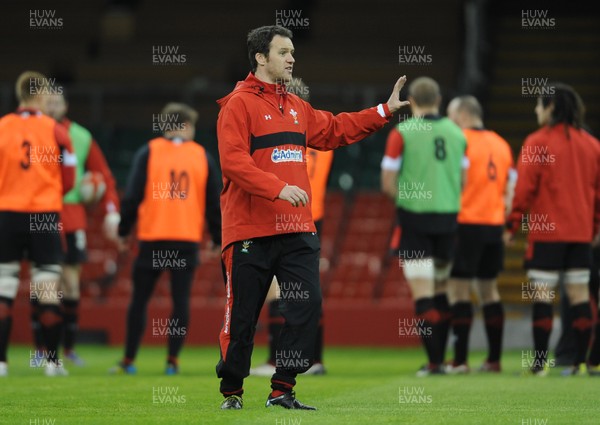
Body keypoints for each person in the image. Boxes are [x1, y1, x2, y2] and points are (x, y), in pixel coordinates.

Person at [216, 25, 409, 410]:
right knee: (243, 320)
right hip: (250, 230)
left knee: (307, 307)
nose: (291, 58)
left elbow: (337, 129)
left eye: (292, 52)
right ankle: (232, 390)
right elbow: (233, 161)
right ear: (260, 57)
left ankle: (281, 389)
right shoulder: (237, 104)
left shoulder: (296, 106)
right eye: (283, 52)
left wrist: (383, 111)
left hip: (298, 229)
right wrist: (277, 188)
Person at [111, 102, 221, 375]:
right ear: (185, 125)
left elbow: (132, 196)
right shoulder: (202, 156)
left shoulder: (148, 152)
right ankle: (172, 360)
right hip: (186, 239)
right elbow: (214, 203)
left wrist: (124, 231)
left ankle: (129, 360)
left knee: (139, 299)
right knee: (180, 300)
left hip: (153, 237)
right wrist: (217, 238)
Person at [506, 83, 600, 376]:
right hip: (581, 235)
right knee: (580, 296)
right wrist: (595, 226)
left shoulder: (537, 142)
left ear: (551, 108)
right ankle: (577, 363)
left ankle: (539, 366)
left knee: (543, 297)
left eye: (539, 105)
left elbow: (523, 190)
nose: (535, 110)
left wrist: (512, 223)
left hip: (547, 234)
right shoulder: (593, 145)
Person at [381, 76, 467, 376]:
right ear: (439, 100)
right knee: (442, 291)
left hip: (414, 221)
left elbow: (388, 182)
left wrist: (408, 197)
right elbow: (464, 180)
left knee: (423, 294)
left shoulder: (402, 133)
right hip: (448, 220)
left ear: (412, 102)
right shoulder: (457, 134)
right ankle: (443, 360)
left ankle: (434, 364)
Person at [250, 77, 334, 377]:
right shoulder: (321, 140)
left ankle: (276, 359)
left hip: (282, 213)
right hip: (313, 215)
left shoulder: (279, 134)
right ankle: (315, 359)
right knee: (308, 292)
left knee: (278, 291)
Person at [29, 91, 120, 366]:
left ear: (66, 105)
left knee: (70, 284)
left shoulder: (81, 136)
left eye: (58, 102)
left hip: (71, 215)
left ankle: (67, 349)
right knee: (42, 284)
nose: (53, 107)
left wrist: (111, 211)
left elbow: (103, 175)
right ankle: (40, 351)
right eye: (48, 102)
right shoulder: (30, 131)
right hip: (40, 212)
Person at [0, 71, 76, 376]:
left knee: (4, 286)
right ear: (40, 95)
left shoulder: (2, 127)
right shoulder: (56, 130)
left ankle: (1, 363)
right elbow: (69, 178)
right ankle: (52, 362)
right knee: (47, 289)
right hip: (44, 215)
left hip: (7, 213)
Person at [444, 95, 516, 373]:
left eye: (451, 115)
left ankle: (460, 360)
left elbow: (452, 182)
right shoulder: (501, 143)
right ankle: (494, 359)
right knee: (489, 291)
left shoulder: (458, 140)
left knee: (458, 291)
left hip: (465, 223)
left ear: (461, 115)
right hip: (494, 225)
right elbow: (511, 190)